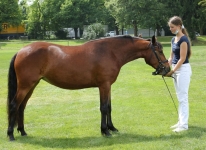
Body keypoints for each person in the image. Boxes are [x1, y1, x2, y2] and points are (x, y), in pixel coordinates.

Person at [166, 16, 192, 132]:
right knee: (179, 97)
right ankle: (180, 122)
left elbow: (182, 59)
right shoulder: (173, 40)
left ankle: (184, 125)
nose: (170, 29)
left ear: (179, 26)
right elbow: (172, 57)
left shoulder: (183, 40)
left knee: (183, 98)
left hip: (183, 70)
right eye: (170, 27)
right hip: (176, 69)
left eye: (172, 27)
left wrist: (172, 71)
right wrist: (167, 65)